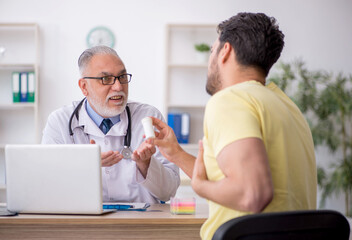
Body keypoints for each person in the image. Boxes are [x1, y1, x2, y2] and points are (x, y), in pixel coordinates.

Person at [152, 12, 317, 239]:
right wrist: (176, 153)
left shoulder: (230, 100)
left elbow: (252, 194)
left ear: (225, 51)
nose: (210, 60)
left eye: (212, 50)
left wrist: (200, 187)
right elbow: (234, 179)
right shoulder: (286, 106)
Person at [42, 46, 180, 204]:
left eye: (122, 77)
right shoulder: (59, 122)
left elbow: (168, 192)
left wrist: (146, 164)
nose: (118, 87)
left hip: (141, 224)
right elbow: (49, 187)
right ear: (84, 87)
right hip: (83, 224)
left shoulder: (148, 118)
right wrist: (84, 165)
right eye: (106, 79)